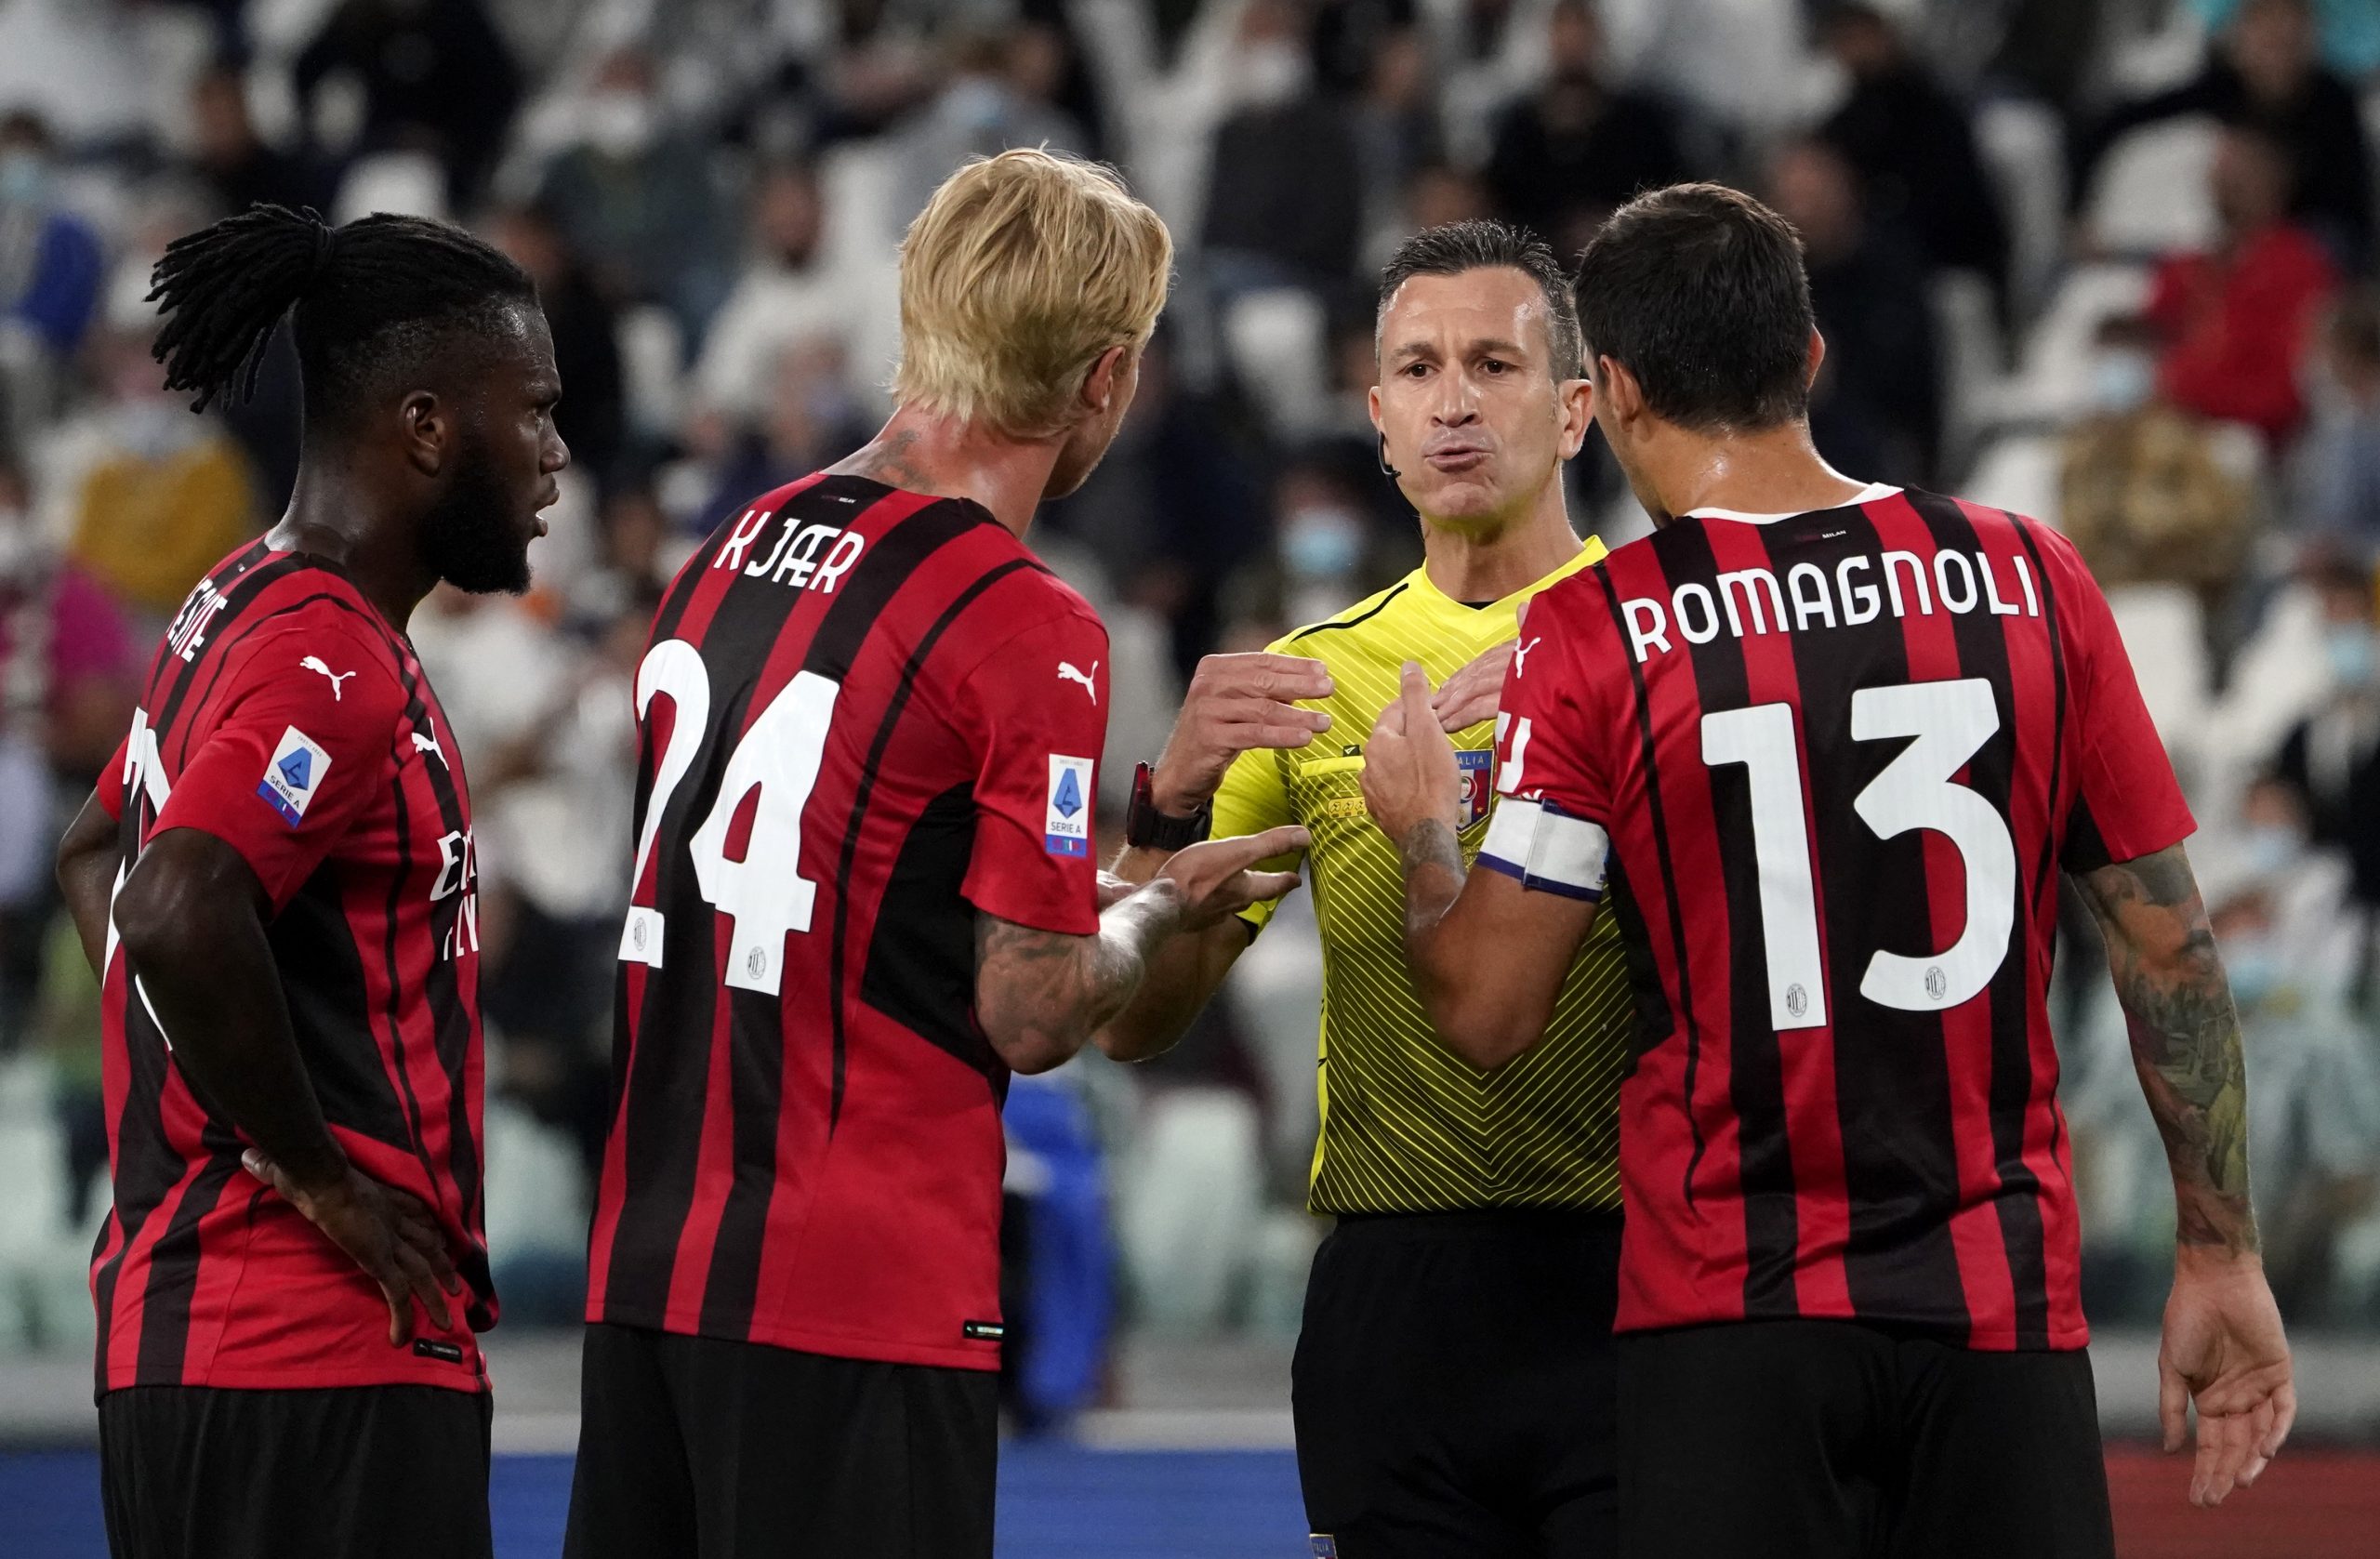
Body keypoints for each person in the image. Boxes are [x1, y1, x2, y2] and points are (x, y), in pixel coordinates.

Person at [1359, 183, 2296, 1558]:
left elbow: (1491, 1009)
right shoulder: (2029, 575)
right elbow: (2170, 946)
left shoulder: (1599, 629)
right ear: (1810, 356)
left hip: (1731, 1323)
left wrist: (1426, 839)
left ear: (1612, 390)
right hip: (1999, 1312)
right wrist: (2220, 1251)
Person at [563, 149, 1304, 1559]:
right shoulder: (1025, 620)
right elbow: (1031, 1007)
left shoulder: (726, 551)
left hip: (651, 1276)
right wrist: (1157, 907)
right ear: (1105, 379)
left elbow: (857, 889)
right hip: (856, 1297)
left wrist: (1130, 846)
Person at [1101, 220, 1633, 1558]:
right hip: (1395, 1302)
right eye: (1418, 368)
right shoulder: (1308, 677)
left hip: (1635, 1274)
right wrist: (1165, 807)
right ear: (1378, 417)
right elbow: (1134, 1019)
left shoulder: (1662, 639)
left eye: (1494, 364)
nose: (1454, 402)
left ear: (1576, 410)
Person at [49, 204, 568, 1558]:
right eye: (533, 410)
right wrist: (314, 1172)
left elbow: (95, 850)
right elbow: (172, 901)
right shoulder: (327, 661)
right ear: (427, 427)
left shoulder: (232, 599)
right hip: (320, 1353)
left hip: (187, 1349)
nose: (556, 454)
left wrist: (192, 1091)